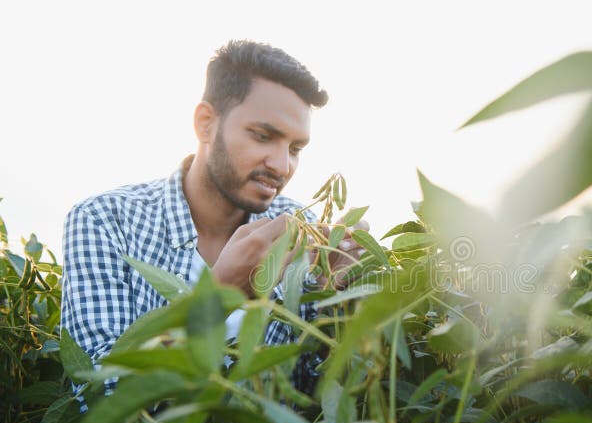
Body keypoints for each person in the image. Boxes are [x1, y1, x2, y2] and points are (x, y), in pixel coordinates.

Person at [61, 40, 364, 396]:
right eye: (263, 136)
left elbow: (313, 394)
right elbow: (98, 394)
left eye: (295, 149)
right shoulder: (106, 221)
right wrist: (218, 298)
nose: (282, 166)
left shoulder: (303, 230)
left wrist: (335, 303)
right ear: (205, 124)